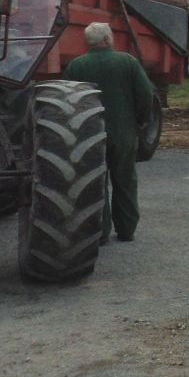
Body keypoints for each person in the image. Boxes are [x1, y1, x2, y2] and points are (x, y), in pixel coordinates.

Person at [63, 21, 154, 244]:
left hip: (88, 135)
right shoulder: (127, 62)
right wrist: (142, 121)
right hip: (123, 131)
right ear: (107, 39)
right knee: (125, 180)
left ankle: (100, 232)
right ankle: (126, 230)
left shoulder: (76, 66)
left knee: (95, 182)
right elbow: (145, 94)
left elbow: (67, 101)